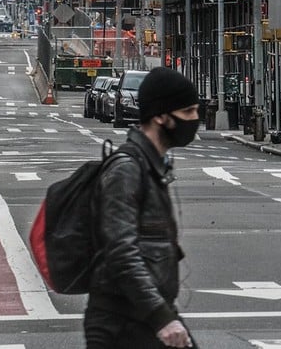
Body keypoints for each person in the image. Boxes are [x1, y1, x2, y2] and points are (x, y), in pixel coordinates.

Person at [85, 67, 199, 349]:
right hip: (121, 323)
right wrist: (162, 318)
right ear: (160, 116)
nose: (195, 120)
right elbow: (121, 252)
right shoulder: (127, 169)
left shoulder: (151, 167)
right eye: (187, 112)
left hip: (146, 314)